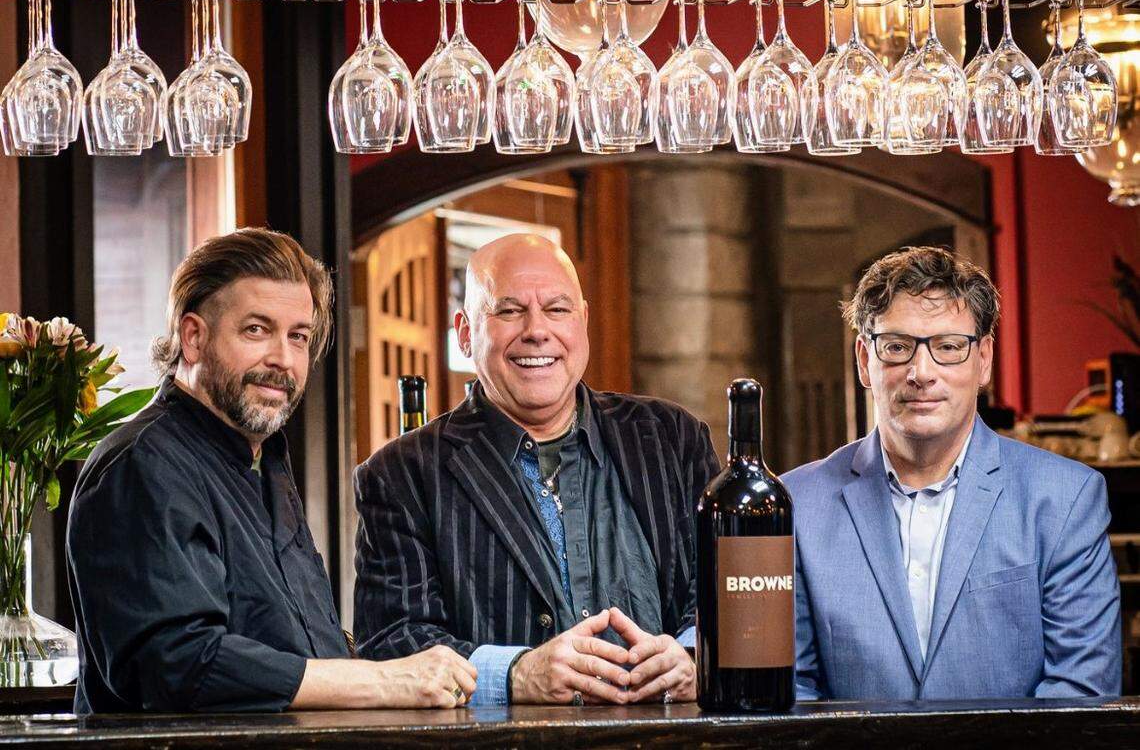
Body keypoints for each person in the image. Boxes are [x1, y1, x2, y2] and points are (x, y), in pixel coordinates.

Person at [67, 227, 475, 714]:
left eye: (298, 337)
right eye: (256, 330)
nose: (283, 359)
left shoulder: (265, 460)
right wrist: (382, 681)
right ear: (193, 337)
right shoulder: (142, 463)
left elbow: (298, 644)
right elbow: (178, 664)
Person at [354, 233, 720, 706]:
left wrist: (693, 656)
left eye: (557, 309)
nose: (536, 330)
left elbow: (722, 588)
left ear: (583, 321)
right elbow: (393, 639)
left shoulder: (672, 437)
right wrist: (512, 675)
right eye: (509, 311)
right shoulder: (401, 475)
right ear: (465, 333)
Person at [785, 246, 1121, 701]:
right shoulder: (798, 504)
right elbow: (790, 690)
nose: (921, 373)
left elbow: (1081, 689)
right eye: (897, 347)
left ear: (983, 359)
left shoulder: (1065, 498)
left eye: (948, 347)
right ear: (865, 360)